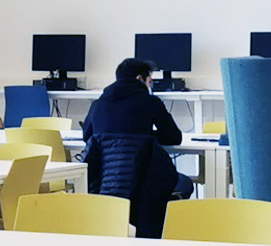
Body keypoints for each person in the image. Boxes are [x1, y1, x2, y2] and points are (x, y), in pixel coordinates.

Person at [82, 57, 195, 199]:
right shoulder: (151, 102)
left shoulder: (98, 105)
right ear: (140, 79)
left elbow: (87, 137)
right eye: (149, 81)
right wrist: (145, 136)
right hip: (144, 184)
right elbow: (174, 137)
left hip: (104, 187)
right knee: (185, 184)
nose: (149, 86)